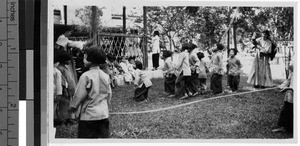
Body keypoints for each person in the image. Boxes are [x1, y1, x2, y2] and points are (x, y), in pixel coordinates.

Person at [68, 47, 111, 138]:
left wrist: (73, 107)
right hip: (103, 114)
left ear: (90, 60)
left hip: (89, 115)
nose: (83, 60)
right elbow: (109, 94)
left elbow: (79, 95)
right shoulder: (106, 76)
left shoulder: (86, 76)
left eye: (84, 57)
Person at [56, 50, 76, 126]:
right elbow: (62, 82)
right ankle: (63, 120)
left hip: (68, 91)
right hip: (65, 91)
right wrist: (65, 90)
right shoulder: (60, 68)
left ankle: (68, 119)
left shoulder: (63, 67)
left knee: (67, 105)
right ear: (63, 60)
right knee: (63, 106)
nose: (69, 61)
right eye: (68, 60)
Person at [272, 64, 294, 133]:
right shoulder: (293, 71)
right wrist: (282, 86)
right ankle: (284, 127)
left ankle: (291, 129)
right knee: (285, 111)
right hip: (289, 96)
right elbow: (288, 80)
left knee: (292, 112)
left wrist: (289, 88)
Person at [53, 50, 63, 127]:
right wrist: (59, 93)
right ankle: (54, 120)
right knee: (55, 107)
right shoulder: (57, 71)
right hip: (55, 93)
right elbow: (58, 84)